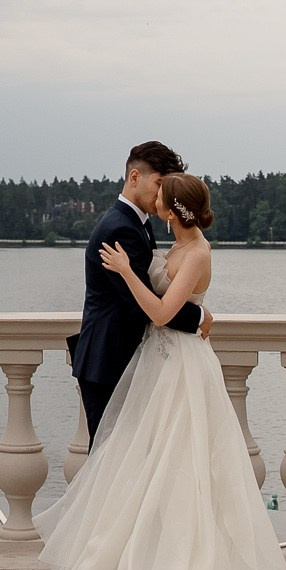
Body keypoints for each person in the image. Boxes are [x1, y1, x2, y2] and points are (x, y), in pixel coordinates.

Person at [44, 171, 286, 570]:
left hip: (181, 367)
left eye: (161, 195)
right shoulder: (166, 242)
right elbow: (174, 311)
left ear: (172, 208)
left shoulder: (197, 252)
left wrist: (128, 271)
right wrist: (198, 315)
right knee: (142, 470)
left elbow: (161, 313)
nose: (153, 198)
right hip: (157, 365)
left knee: (182, 471)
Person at [66, 141, 209, 445]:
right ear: (135, 177)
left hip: (122, 358)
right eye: (159, 183)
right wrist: (197, 316)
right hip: (109, 360)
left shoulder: (137, 224)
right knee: (109, 460)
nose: (162, 195)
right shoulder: (120, 228)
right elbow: (140, 304)